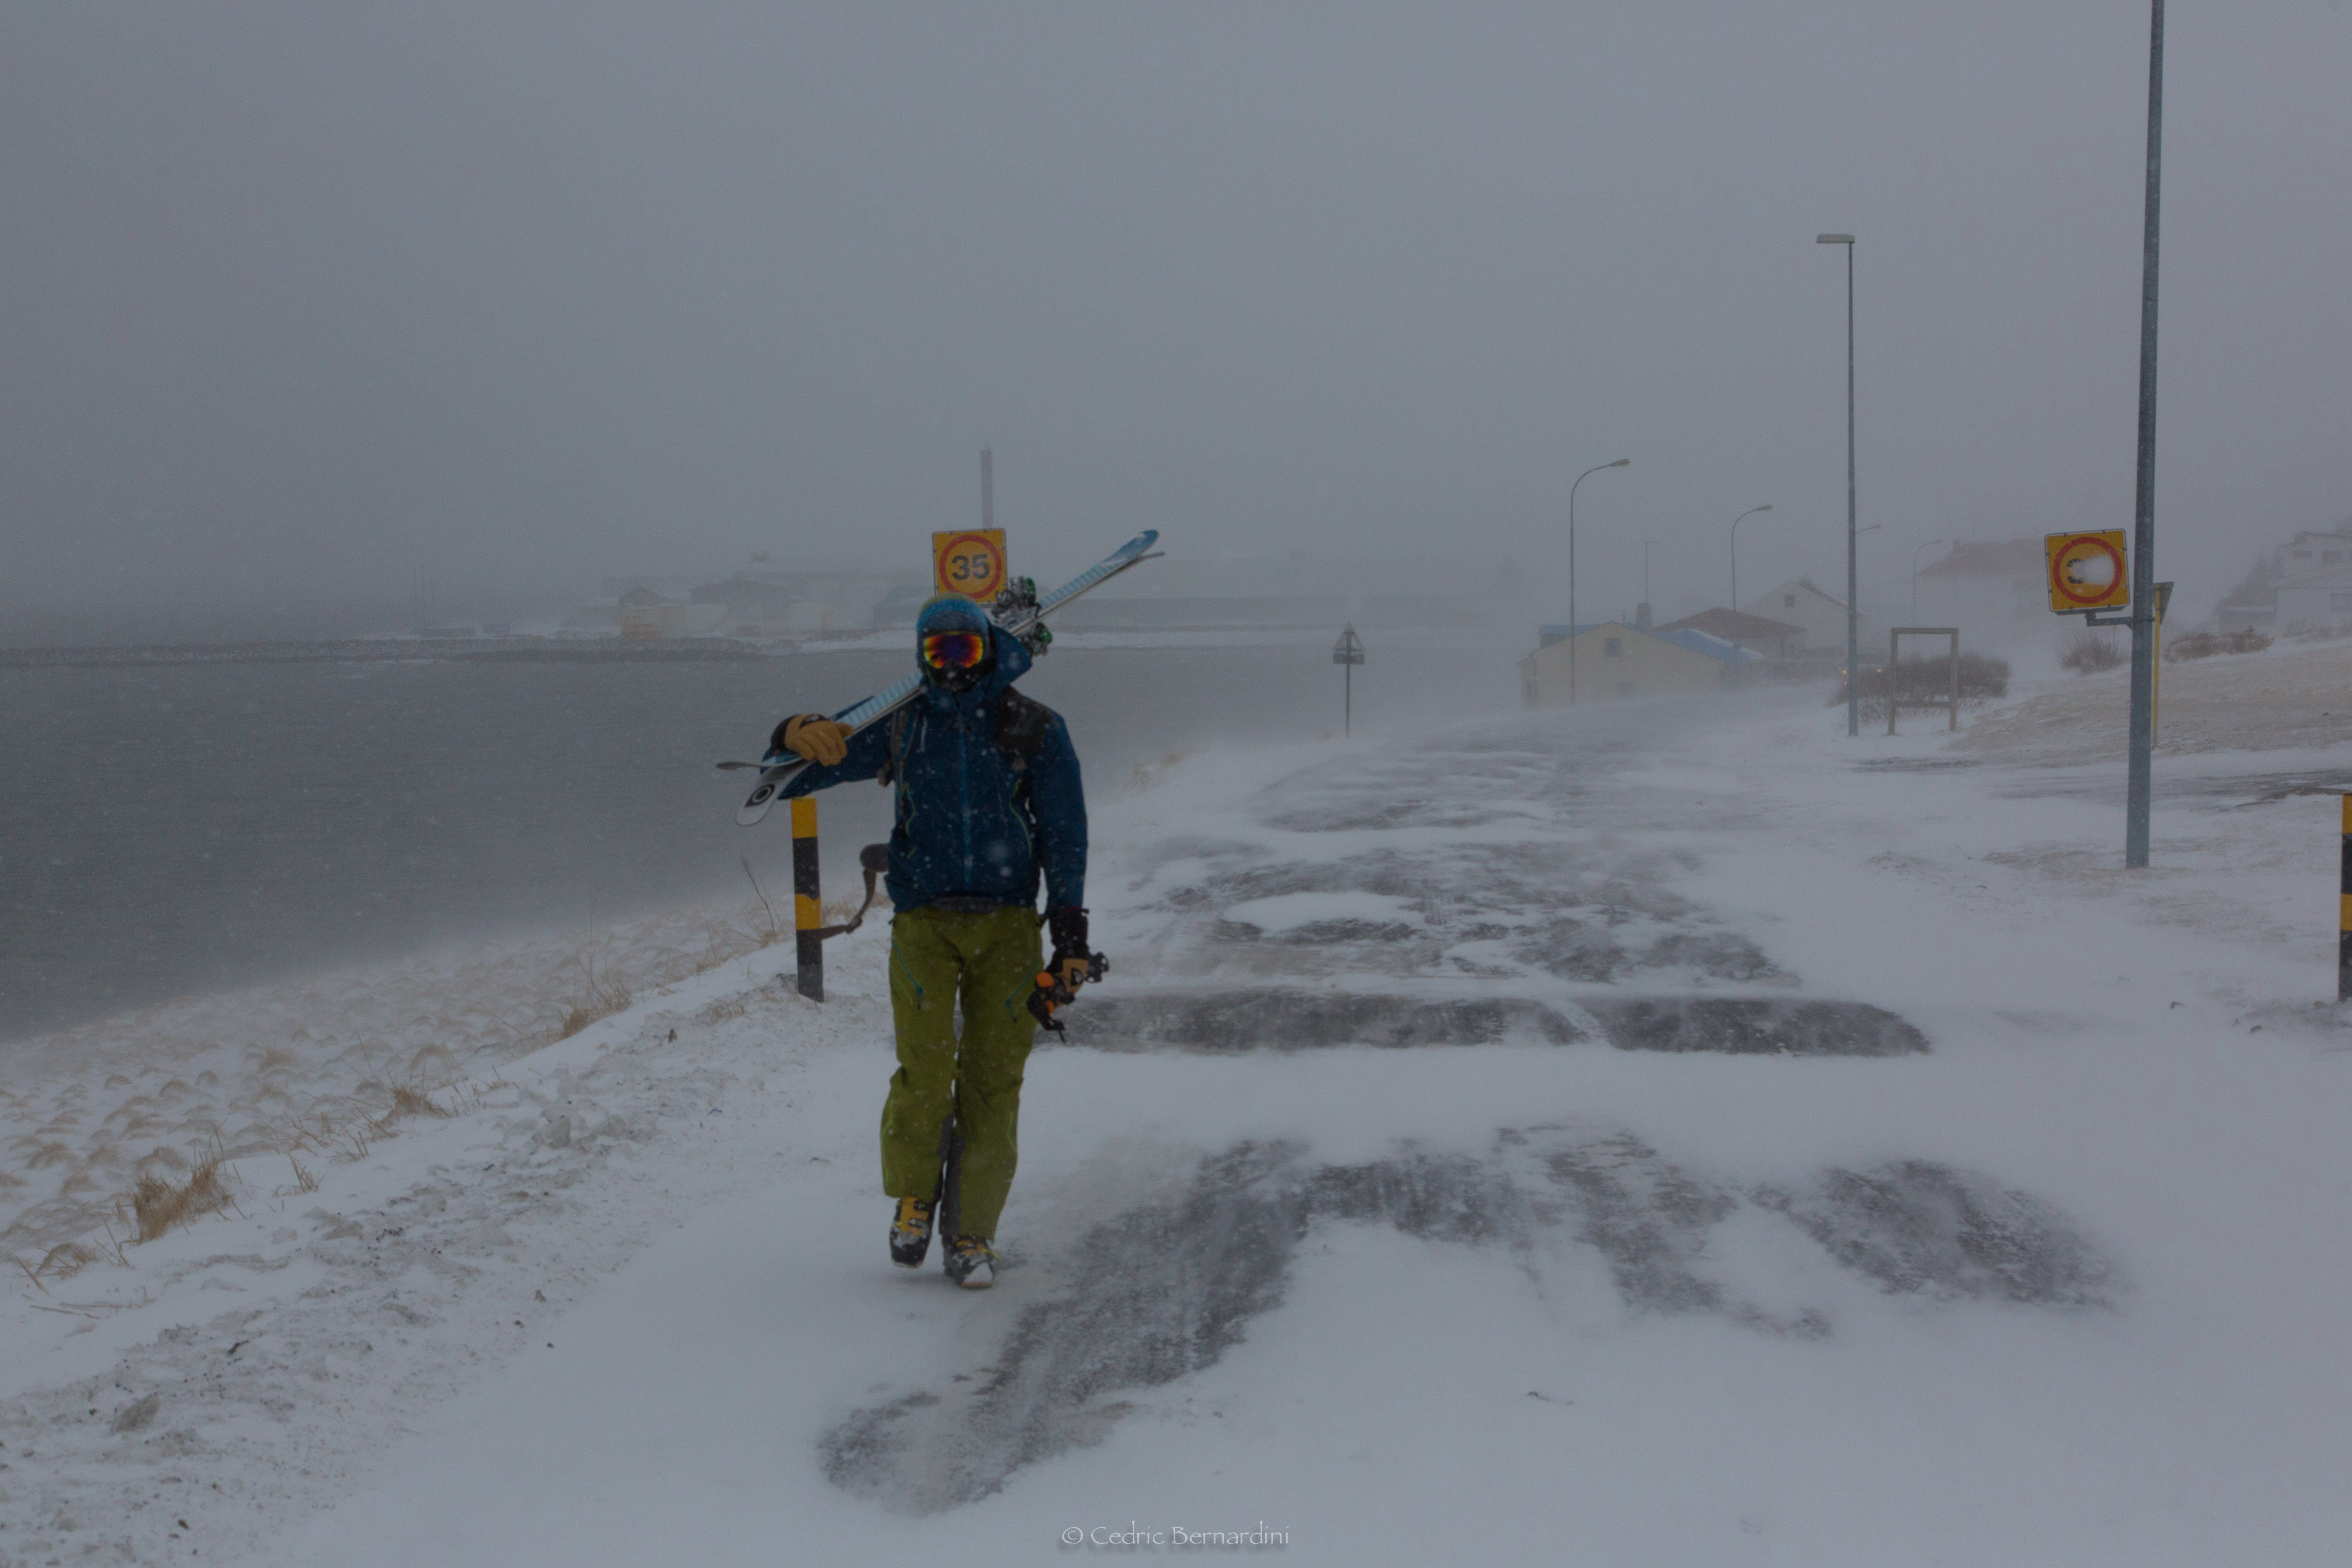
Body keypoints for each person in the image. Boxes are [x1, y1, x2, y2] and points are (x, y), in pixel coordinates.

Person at [768, 594, 1090, 1290]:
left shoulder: (1033, 726)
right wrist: (792, 732)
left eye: (964, 652)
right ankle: (915, 1199)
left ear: (986, 652)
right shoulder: (899, 723)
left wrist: (1069, 929)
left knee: (993, 1080)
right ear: (920, 655)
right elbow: (798, 772)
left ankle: (972, 1229)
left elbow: (1066, 831)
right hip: (924, 922)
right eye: (937, 654)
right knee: (924, 1071)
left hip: (1008, 925)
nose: (951, 668)